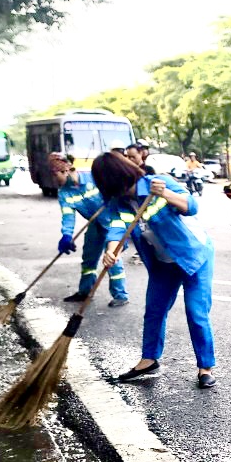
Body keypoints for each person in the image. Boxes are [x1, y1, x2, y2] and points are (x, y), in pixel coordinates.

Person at [91, 152, 218, 389]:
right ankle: (148, 360)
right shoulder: (118, 202)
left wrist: (166, 194)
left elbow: (191, 206)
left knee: (196, 311)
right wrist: (111, 251)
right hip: (162, 264)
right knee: (154, 310)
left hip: (193, 256)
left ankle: (205, 367)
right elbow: (117, 229)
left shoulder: (157, 183)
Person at [51, 152, 129, 307]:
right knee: (89, 257)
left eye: (55, 174)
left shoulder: (92, 176)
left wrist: (110, 198)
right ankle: (85, 291)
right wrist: (66, 235)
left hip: (112, 221)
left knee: (112, 258)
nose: (54, 179)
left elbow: (114, 188)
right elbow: (68, 216)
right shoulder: (64, 193)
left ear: (65, 170)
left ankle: (120, 295)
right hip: (95, 223)